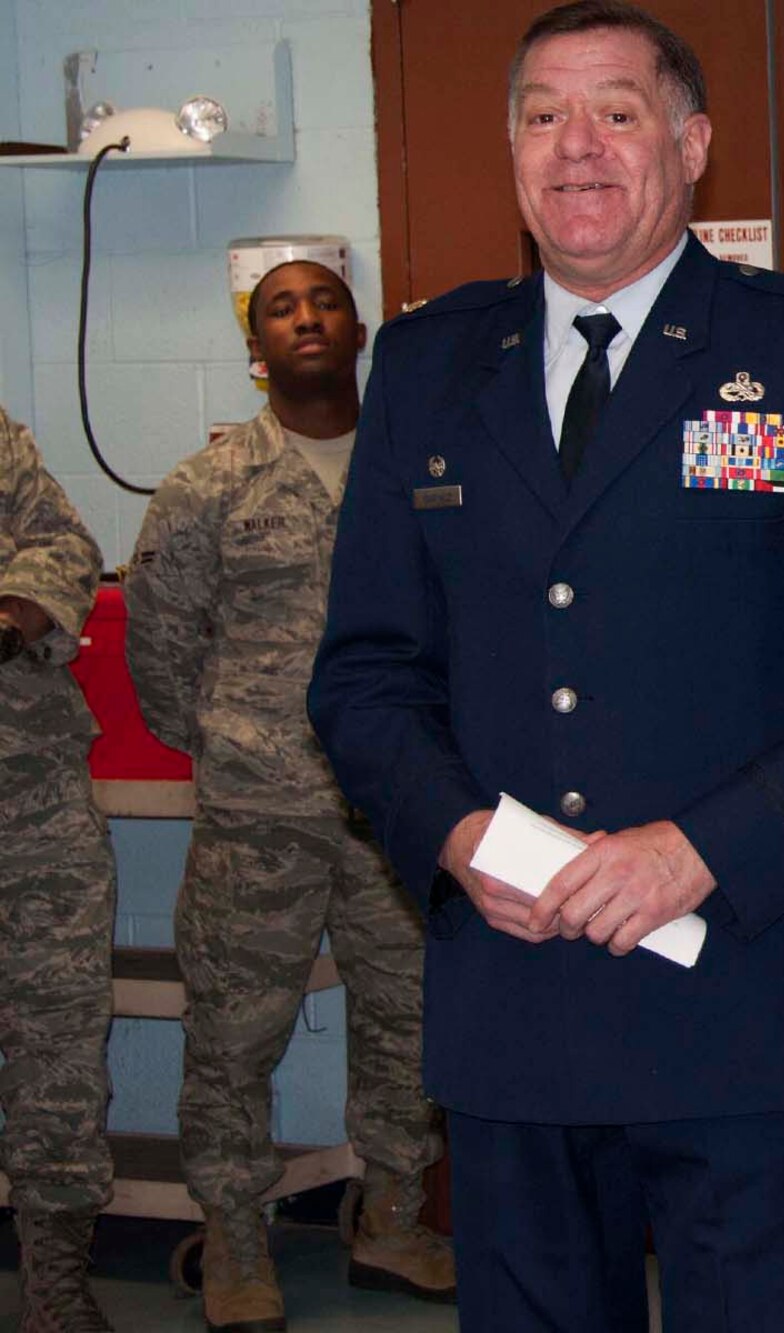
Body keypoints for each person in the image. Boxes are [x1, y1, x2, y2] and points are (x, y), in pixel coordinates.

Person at [306, 2, 784, 1329]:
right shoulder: (432, 367)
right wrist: (454, 837)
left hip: (741, 992)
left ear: (691, 147)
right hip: (516, 1004)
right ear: (510, 147)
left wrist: (702, 848)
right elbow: (365, 671)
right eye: (543, 115)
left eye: (617, 112)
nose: (577, 148)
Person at [125, 260, 454, 1332]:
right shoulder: (206, 486)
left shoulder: (427, 470)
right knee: (234, 1031)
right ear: (256, 349)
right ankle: (233, 1241)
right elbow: (161, 652)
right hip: (258, 813)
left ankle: (393, 1219)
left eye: (322, 302)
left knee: (412, 1021)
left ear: (359, 332)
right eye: (280, 307)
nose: (305, 317)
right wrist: (237, 742)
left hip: (402, 809)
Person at [0, 406, 116, 1333]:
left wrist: (13, 614)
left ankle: (55, 1285)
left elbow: (63, 542)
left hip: (29, 794)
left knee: (59, 1049)